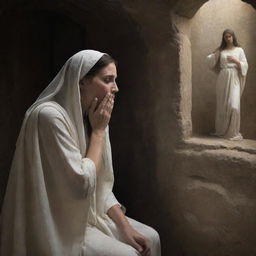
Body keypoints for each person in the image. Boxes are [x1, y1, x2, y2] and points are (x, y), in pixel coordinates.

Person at [0, 50, 161, 256]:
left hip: (90, 215)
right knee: (128, 254)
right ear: (81, 80)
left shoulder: (94, 117)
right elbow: (83, 184)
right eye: (108, 80)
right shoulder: (49, 116)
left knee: (152, 238)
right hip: (60, 226)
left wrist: (126, 228)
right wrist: (98, 132)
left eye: (115, 80)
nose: (116, 88)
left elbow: (100, 185)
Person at [206, 29, 248, 140]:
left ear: (233, 37)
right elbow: (209, 62)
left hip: (234, 77)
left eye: (230, 36)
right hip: (223, 78)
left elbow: (245, 65)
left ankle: (233, 133)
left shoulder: (239, 50)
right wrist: (215, 55)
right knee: (222, 106)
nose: (228, 38)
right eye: (226, 37)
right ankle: (221, 131)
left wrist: (236, 61)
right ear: (223, 38)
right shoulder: (222, 51)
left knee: (234, 106)